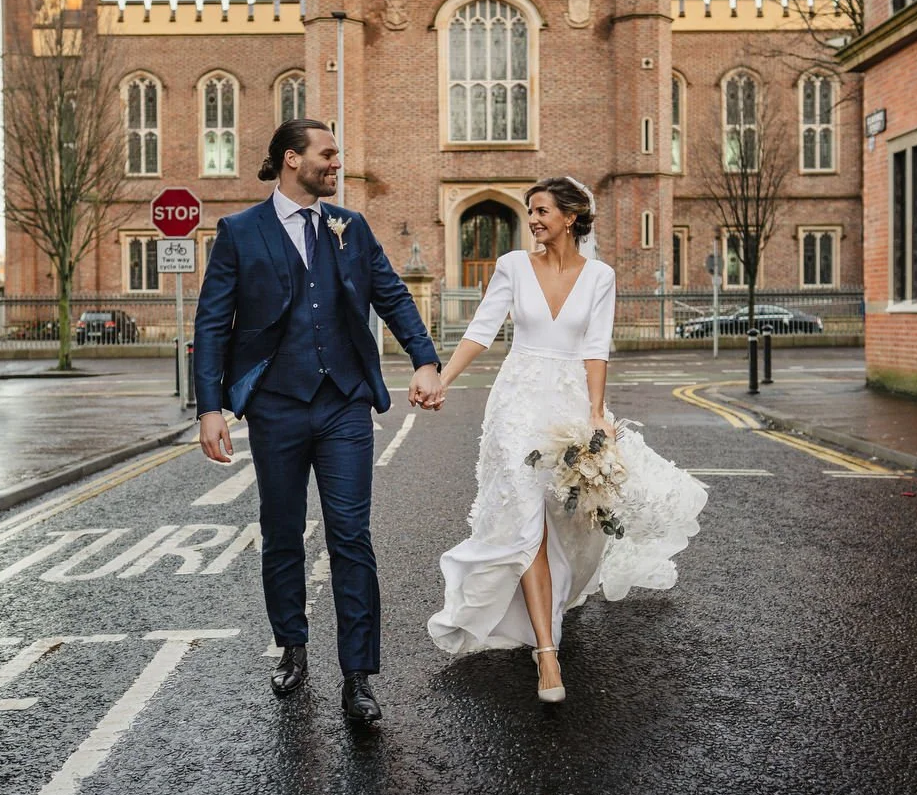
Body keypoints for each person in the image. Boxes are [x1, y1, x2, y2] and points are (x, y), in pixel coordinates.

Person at [193, 119, 443, 724]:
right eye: (328, 154)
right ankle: (292, 646)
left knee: (350, 536)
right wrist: (210, 407)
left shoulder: (349, 227)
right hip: (275, 406)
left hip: (344, 404)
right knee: (281, 533)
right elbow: (211, 323)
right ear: (290, 160)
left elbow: (391, 294)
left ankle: (358, 676)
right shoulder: (239, 232)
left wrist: (427, 359)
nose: (337, 163)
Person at [424, 177, 708, 702]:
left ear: (571, 217)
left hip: (569, 402)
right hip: (516, 403)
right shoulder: (512, 267)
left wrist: (597, 414)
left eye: (542, 211)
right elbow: (481, 332)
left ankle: (555, 603)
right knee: (527, 517)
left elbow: (596, 347)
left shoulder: (600, 276)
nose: (533, 219)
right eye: (530, 211)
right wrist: (441, 378)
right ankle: (546, 655)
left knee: (570, 517)